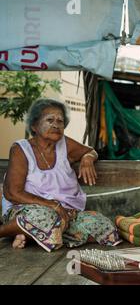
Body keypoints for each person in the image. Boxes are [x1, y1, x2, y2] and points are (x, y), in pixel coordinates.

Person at [0, 98, 121, 251]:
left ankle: (33, 235)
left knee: (105, 227)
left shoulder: (65, 144)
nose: (56, 125)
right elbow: (12, 193)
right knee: (45, 217)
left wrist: (88, 159)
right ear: (34, 126)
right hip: (28, 210)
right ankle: (7, 232)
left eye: (60, 121)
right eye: (50, 120)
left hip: (65, 213)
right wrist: (53, 205)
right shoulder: (21, 149)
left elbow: (90, 151)